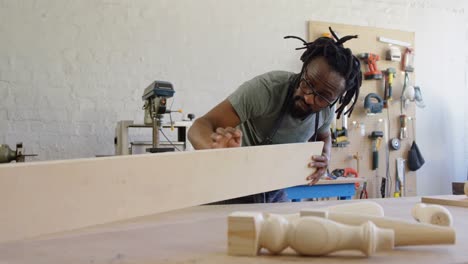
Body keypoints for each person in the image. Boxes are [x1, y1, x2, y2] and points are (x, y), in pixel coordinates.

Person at [188, 27, 362, 203]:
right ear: (303, 69)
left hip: (273, 189)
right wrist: (214, 152)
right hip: (231, 186)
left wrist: (325, 157)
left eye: (322, 97)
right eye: (307, 83)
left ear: (334, 99)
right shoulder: (267, 90)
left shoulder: (326, 110)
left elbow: (324, 136)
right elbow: (199, 126)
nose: (309, 98)